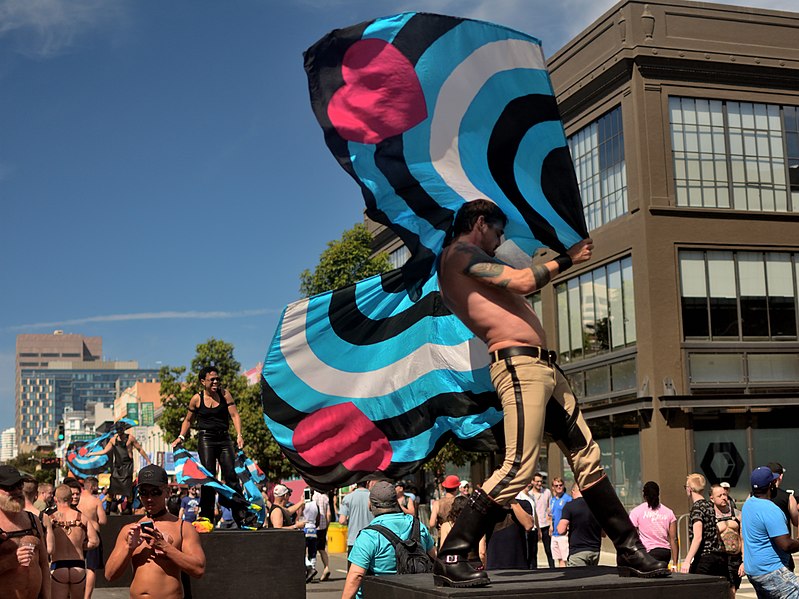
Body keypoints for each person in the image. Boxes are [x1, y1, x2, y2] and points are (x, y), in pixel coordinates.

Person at [433, 200, 667, 586]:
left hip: (543, 369)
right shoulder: (459, 254)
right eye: (497, 232)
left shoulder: (467, 258)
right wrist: (569, 258)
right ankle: (454, 551)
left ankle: (630, 550)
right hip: (519, 368)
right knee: (517, 467)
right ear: (479, 222)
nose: (499, 241)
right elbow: (524, 281)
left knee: (587, 456)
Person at [105, 464, 205, 599]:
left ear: (167, 492)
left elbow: (198, 569)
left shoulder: (182, 528)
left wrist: (165, 547)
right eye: (144, 493)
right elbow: (109, 575)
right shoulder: (131, 530)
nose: (149, 498)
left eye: (155, 492)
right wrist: (128, 548)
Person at [171, 367, 246, 525]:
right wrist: (180, 437)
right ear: (203, 382)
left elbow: (234, 415)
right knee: (208, 476)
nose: (216, 382)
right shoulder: (196, 399)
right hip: (206, 438)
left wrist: (239, 435)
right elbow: (188, 420)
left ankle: (241, 515)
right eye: (212, 379)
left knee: (231, 476)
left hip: (224, 438)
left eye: (217, 379)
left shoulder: (224, 394)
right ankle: (206, 517)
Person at [342, 481, 435, 599]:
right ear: (396, 502)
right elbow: (433, 556)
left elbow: (356, 575)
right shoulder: (417, 526)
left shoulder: (369, 535)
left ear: (371, 504)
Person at [742, 466, 799, 598]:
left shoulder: (748, 504)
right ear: (771, 485)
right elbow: (786, 544)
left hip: (754, 571)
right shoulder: (771, 510)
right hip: (771, 571)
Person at [0, 465, 50, 599]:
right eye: (10, 487)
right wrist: (11, 561)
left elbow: (44, 564)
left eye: (19, 485)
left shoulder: (33, 520)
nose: (16, 491)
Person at [50, 484, 99, 599]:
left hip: (58, 565)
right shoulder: (82, 517)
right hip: (78, 565)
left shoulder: (50, 518)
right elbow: (94, 541)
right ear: (71, 499)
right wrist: (81, 546)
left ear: (55, 499)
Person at [89, 422, 151, 512]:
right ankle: (108, 508)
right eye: (118, 430)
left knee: (128, 487)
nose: (119, 432)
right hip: (117, 467)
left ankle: (128, 507)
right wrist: (92, 453)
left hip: (127, 466)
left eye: (121, 429)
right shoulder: (113, 440)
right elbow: (105, 450)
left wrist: (148, 460)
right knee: (112, 488)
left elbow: (140, 449)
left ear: (124, 429)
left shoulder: (130, 438)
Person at [680, 473, 727, 577]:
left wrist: (687, 560)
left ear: (689, 489)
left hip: (704, 556)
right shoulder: (709, 505)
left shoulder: (697, 508)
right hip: (717, 555)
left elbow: (698, 537)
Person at [629, 481, 678, 566]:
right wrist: (675, 563)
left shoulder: (636, 512)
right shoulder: (669, 512)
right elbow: (674, 539)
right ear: (658, 494)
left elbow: (632, 535)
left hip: (648, 553)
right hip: (665, 552)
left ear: (644, 495)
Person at [557, 483, 602, 567]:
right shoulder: (597, 506)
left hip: (577, 551)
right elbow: (603, 533)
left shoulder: (569, 506)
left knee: (577, 579)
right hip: (595, 550)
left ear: (573, 491)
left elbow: (561, 530)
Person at [711, 484, 743, 598]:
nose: (723, 497)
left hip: (735, 558)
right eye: (719, 495)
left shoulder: (737, 514)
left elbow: (743, 538)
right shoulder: (710, 516)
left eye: (724, 494)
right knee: (724, 590)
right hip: (720, 558)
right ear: (712, 498)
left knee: (733, 589)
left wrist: (744, 560)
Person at [78, 476, 107, 599]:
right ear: (91, 486)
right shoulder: (95, 501)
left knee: (78, 564)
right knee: (91, 568)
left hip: (79, 533)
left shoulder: (76, 499)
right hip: (93, 534)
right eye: (96, 486)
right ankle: (87, 597)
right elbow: (103, 520)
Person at [485, 498, 533, 570]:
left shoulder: (523, 504)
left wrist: (512, 501)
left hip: (518, 563)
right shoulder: (489, 506)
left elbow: (528, 525)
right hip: (493, 564)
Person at [767, 462, 798, 572]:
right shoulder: (788, 497)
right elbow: (796, 521)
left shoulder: (752, 497)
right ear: (781, 476)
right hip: (783, 549)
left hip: (762, 553)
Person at [22, 475, 55, 557]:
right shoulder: (43, 517)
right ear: (36, 493)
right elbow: (50, 549)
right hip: (38, 563)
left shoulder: (13, 515)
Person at [339, 480, 373, 558]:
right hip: (371, 540)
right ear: (367, 483)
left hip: (354, 539)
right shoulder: (373, 497)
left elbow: (342, 520)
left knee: (353, 569)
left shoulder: (348, 497)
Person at [527, 472, 554, 568]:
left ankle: (552, 568)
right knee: (533, 551)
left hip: (545, 525)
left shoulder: (547, 492)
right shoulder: (529, 494)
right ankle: (534, 570)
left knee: (549, 550)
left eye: (541, 481)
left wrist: (551, 524)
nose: (539, 483)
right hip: (534, 526)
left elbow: (549, 509)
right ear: (532, 482)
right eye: (537, 481)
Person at [427, 475, 460, 545]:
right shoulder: (459, 502)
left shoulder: (437, 503)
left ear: (445, 488)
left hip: (442, 536)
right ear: (457, 488)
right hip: (457, 536)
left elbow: (431, 523)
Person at [549, 477, 573, 567]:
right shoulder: (552, 500)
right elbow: (552, 515)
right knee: (558, 558)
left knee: (565, 558)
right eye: (556, 485)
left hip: (563, 534)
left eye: (560, 485)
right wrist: (551, 525)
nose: (559, 487)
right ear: (553, 487)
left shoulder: (568, 499)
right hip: (554, 534)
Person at [312, 488, 332, 581]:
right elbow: (328, 514)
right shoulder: (325, 497)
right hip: (323, 527)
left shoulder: (313, 496)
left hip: (313, 526)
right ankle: (326, 567)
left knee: (311, 549)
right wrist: (327, 525)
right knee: (322, 549)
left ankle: (311, 570)